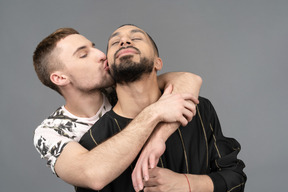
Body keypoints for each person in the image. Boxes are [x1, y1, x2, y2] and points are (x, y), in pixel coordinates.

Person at [77, 24, 247, 192]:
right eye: (115, 43)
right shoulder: (93, 140)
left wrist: (186, 184)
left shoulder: (200, 110)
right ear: (109, 68)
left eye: (136, 38)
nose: (124, 41)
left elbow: (235, 178)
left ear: (158, 63)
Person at [33, 28, 202, 189]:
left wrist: (158, 138)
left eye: (94, 47)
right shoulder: (50, 132)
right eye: (83, 55)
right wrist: (155, 112)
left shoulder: (121, 88)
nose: (101, 55)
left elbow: (189, 80)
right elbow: (92, 174)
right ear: (60, 78)